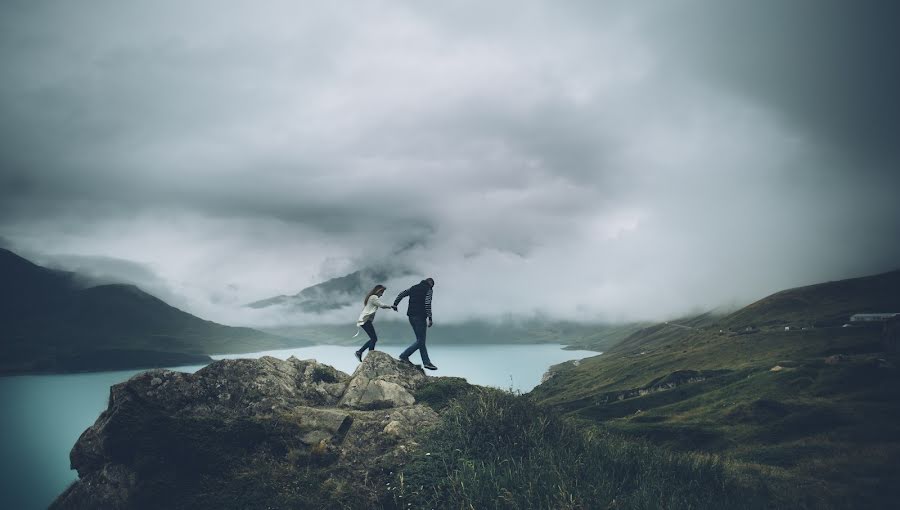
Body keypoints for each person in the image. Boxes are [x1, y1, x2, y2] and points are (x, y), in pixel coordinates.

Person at [393, 277, 437, 370]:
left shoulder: (413, 287)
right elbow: (427, 303)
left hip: (411, 316)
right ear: (431, 284)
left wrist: (395, 304)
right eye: (432, 286)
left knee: (420, 340)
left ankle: (426, 362)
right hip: (420, 317)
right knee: (421, 341)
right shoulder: (428, 290)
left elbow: (402, 294)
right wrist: (430, 318)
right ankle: (404, 355)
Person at [354, 284, 395, 362]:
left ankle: (360, 352)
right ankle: (370, 355)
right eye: (381, 292)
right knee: (374, 338)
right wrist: (391, 306)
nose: (382, 294)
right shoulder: (373, 297)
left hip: (365, 320)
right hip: (365, 321)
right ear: (378, 291)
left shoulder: (371, 297)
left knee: (373, 338)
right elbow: (381, 305)